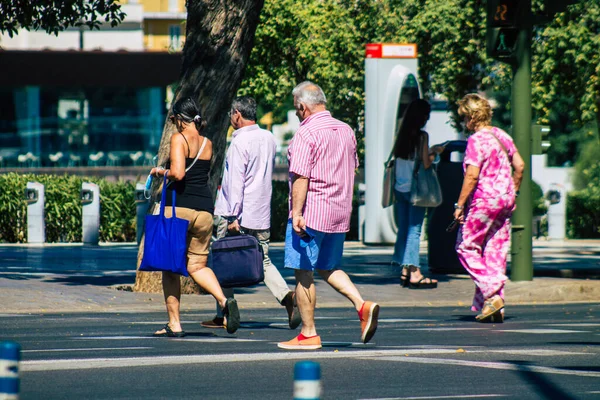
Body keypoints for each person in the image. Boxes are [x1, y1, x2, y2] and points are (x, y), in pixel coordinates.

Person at [278, 81, 379, 350]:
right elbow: (352, 168)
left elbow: (301, 176)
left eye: (297, 109)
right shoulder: (346, 130)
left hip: (312, 212)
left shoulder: (306, 133)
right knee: (328, 266)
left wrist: (297, 213)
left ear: (302, 106)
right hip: (339, 212)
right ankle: (362, 305)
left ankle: (308, 334)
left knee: (303, 272)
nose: (298, 114)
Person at [201, 96, 302, 330]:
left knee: (223, 260)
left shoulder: (238, 142)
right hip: (260, 213)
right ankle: (287, 298)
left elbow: (235, 183)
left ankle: (225, 310)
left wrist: (233, 217)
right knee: (263, 260)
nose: (230, 119)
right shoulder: (268, 138)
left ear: (237, 114)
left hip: (236, 214)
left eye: (230, 115)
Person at [149, 96, 240, 337]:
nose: (173, 123)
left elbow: (178, 173)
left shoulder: (178, 138)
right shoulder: (207, 142)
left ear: (179, 119)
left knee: (169, 269)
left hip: (180, 209)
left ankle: (175, 323)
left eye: (172, 119)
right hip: (204, 211)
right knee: (197, 265)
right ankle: (223, 301)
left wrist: (159, 171)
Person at [454, 93, 525, 323]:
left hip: (484, 201)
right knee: (494, 250)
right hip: (505, 201)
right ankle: (495, 305)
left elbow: (472, 176)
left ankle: (491, 287)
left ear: (473, 117)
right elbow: (520, 165)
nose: (464, 124)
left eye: (465, 118)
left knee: (465, 246)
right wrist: (512, 191)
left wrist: (459, 205)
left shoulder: (476, 140)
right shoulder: (502, 135)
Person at [391, 99, 444, 289]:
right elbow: (426, 162)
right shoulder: (422, 136)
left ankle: (404, 270)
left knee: (404, 230)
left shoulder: (401, 135)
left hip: (399, 188)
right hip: (415, 190)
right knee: (415, 231)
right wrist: (436, 151)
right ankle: (414, 272)